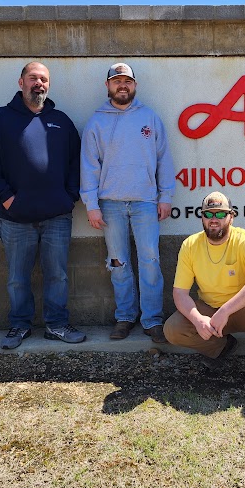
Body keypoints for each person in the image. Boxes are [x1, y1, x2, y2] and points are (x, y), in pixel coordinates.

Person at [0, 61, 85, 349]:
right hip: (14, 218)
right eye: (33, 78)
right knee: (17, 278)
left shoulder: (61, 121)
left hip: (57, 216)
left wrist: (69, 197)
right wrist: (7, 198)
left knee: (58, 275)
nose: (39, 84)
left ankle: (56, 325)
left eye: (44, 79)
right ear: (21, 82)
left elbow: (77, 163)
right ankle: (19, 326)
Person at [163, 191, 245, 404]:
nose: (214, 219)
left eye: (221, 214)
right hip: (212, 313)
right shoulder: (190, 245)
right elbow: (180, 293)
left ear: (231, 217)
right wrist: (197, 319)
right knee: (173, 329)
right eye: (209, 214)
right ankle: (222, 347)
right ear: (202, 217)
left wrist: (226, 310)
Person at [80, 62, 175, 344]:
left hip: (145, 202)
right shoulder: (96, 122)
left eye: (127, 81)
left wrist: (165, 196)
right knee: (118, 262)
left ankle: (152, 319)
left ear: (135, 85)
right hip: (110, 204)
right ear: (108, 86)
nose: (122, 85)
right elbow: (89, 166)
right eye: (117, 81)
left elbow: (163, 159)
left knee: (150, 261)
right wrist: (91, 204)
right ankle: (125, 317)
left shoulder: (150, 118)